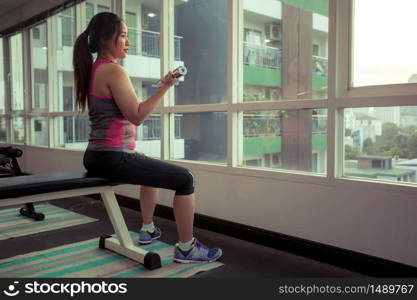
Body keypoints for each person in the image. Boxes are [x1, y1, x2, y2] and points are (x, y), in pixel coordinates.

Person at [73, 12, 222, 264]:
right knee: (186, 179)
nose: (128, 42)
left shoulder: (96, 69)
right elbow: (138, 115)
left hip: (97, 155)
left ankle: (148, 228)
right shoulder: (113, 71)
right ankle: (187, 248)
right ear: (106, 39)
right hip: (111, 156)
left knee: (147, 167)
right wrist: (165, 88)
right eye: (123, 36)